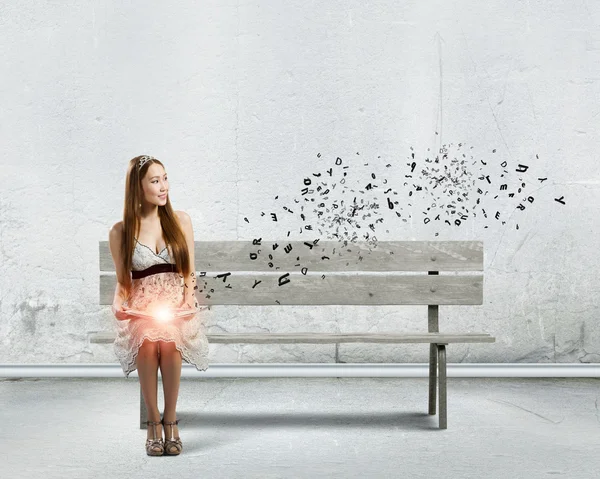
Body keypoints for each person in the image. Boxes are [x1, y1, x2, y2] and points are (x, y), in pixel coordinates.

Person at [108, 155, 209, 456]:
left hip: (175, 305)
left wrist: (188, 299)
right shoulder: (121, 231)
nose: (163, 186)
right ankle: (153, 422)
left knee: (170, 342)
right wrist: (117, 302)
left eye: (165, 178)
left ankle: (170, 419)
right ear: (137, 188)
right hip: (143, 307)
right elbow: (122, 281)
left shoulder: (181, 221)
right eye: (155, 181)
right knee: (150, 341)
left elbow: (189, 272)